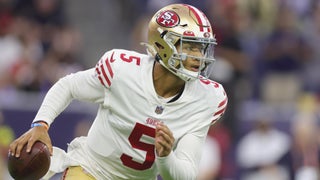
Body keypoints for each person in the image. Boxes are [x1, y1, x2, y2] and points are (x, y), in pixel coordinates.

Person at [8, 4, 228, 180]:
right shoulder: (122, 69)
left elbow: (185, 175)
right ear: (163, 45)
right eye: (190, 46)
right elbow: (69, 85)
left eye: (201, 48)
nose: (198, 56)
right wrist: (41, 124)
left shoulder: (208, 98)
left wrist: (166, 156)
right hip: (92, 169)